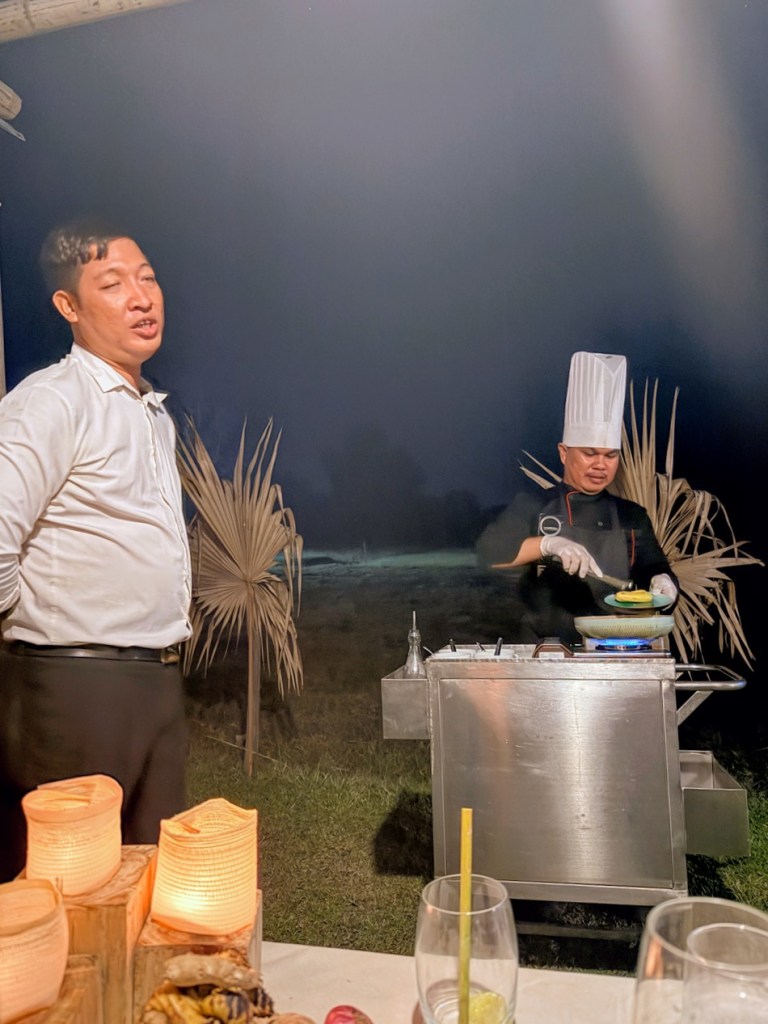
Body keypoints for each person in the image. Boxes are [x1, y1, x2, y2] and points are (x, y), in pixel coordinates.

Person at [0, 221, 192, 881]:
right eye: (112, 284)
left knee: (152, 883)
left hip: (156, 680)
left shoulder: (152, 413)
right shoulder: (51, 402)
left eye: (148, 278)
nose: (141, 297)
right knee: (69, 896)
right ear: (69, 306)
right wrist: (26, 627)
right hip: (73, 689)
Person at [477, 352, 677, 644]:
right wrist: (548, 544)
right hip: (546, 652)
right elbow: (489, 555)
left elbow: (653, 567)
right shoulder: (534, 505)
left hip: (616, 648)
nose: (600, 465)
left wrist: (665, 582)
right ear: (563, 453)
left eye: (610, 456)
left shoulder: (632, 516)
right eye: (589, 453)